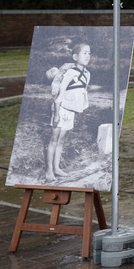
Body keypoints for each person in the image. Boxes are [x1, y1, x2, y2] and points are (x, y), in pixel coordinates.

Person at [45, 43, 91, 181]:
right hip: (61, 109)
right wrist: (57, 114)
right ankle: (49, 171)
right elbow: (60, 92)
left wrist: (80, 107)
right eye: (84, 53)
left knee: (61, 140)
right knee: (54, 140)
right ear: (75, 57)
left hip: (70, 111)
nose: (88, 56)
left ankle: (57, 168)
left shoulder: (87, 74)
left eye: (89, 53)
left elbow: (82, 93)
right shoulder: (70, 72)